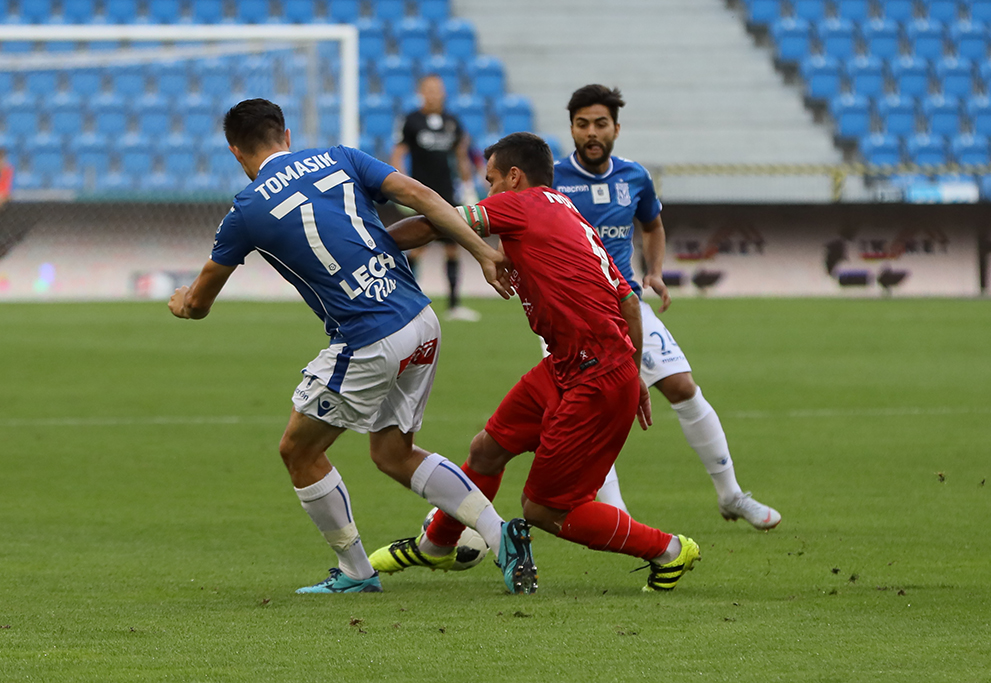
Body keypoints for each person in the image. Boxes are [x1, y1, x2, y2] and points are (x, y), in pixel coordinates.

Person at [167, 99, 536, 595]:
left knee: (299, 450)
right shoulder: (340, 157)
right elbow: (423, 196)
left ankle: (357, 572)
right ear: (287, 135)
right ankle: (501, 534)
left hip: (369, 338)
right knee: (392, 452)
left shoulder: (246, 210)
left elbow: (199, 303)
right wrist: (482, 252)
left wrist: (182, 302)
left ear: (235, 151)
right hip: (421, 320)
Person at [369, 132, 701, 593]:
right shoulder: (566, 210)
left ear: (514, 177)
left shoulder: (520, 204)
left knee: (544, 508)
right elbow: (627, 299)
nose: (487, 191)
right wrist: (636, 374)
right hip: (573, 365)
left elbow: (435, 222)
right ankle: (437, 545)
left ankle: (668, 550)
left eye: (490, 181)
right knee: (486, 450)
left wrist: (367, 250)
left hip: (595, 375)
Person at [553, 84, 781, 530]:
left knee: (683, 387)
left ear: (616, 128)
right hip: (570, 319)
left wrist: (654, 270)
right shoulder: (554, 179)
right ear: (572, 130)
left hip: (627, 308)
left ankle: (731, 494)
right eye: (582, 124)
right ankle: (618, 518)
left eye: (600, 124)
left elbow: (653, 226)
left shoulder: (634, 176)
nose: (592, 132)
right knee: (592, 410)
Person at [391, 74, 481, 322]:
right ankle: (405, 300)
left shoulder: (452, 122)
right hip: (421, 194)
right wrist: (400, 185)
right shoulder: (411, 120)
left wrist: (467, 186)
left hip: (447, 194)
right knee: (418, 247)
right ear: (421, 92)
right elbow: (398, 153)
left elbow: (461, 155)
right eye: (428, 89)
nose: (433, 94)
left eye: (437, 89)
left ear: (443, 92)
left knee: (452, 248)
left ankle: (453, 305)